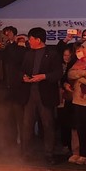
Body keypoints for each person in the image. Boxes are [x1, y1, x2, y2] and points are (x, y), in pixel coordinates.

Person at [18, 27, 61, 163]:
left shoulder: (52, 54)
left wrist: (44, 76)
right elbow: (21, 70)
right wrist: (23, 77)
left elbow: (58, 73)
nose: (29, 42)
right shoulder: (28, 54)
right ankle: (26, 153)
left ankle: (49, 153)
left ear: (38, 40)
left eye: (30, 39)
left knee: (48, 125)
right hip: (29, 93)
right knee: (27, 125)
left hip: (45, 94)